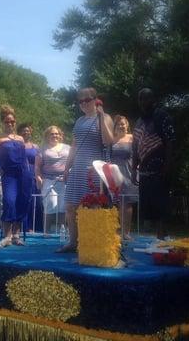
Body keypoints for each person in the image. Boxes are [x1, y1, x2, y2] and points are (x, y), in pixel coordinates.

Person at [58, 87, 114, 253]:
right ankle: (73, 242)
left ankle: (91, 243)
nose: (83, 103)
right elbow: (74, 146)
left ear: (96, 100)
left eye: (87, 100)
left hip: (94, 169)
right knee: (70, 206)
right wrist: (67, 167)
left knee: (92, 206)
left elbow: (108, 140)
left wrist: (102, 116)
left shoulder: (105, 118)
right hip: (77, 167)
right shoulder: (79, 121)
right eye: (80, 101)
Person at [0, 105, 31, 248]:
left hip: (24, 173)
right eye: (7, 122)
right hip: (9, 174)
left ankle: (16, 235)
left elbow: (25, 157)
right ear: (2, 123)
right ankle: (7, 236)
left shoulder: (21, 139)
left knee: (22, 201)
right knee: (9, 201)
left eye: (12, 122)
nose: (10, 124)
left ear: (15, 123)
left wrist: (29, 171)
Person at [131, 88, 175, 240]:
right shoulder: (139, 121)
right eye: (141, 98)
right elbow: (135, 146)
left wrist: (167, 165)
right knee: (149, 203)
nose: (144, 101)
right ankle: (160, 235)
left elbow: (170, 141)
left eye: (147, 98)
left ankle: (162, 235)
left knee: (161, 201)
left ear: (153, 99)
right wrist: (133, 169)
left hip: (160, 165)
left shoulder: (163, 116)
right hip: (143, 168)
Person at [35, 126, 70, 234]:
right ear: (47, 136)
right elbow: (37, 166)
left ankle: (62, 231)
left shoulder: (67, 148)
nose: (55, 136)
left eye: (56, 134)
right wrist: (38, 177)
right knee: (50, 205)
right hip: (48, 180)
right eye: (52, 134)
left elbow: (72, 161)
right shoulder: (42, 149)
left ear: (60, 135)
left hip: (65, 180)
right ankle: (46, 232)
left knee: (62, 207)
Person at [111, 115, 138, 240]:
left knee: (127, 203)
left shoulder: (133, 138)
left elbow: (139, 155)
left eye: (123, 124)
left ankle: (126, 232)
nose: (121, 126)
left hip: (129, 173)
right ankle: (116, 231)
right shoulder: (111, 140)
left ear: (127, 125)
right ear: (114, 127)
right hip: (113, 174)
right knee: (115, 203)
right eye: (118, 124)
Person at [18, 122, 41, 232]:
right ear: (20, 132)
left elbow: (40, 163)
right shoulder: (17, 144)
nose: (26, 132)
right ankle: (23, 226)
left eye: (28, 130)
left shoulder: (36, 146)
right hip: (21, 174)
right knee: (24, 200)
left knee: (34, 201)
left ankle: (35, 226)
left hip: (33, 174)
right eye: (24, 130)